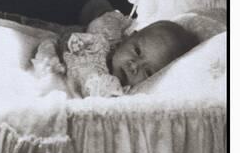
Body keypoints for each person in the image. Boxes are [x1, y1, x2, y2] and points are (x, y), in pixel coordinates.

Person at [32, 13, 199, 96]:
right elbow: (70, 39)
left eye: (147, 72)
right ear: (129, 37)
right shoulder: (101, 46)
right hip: (59, 68)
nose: (134, 66)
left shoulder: (124, 94)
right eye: (137, 51)